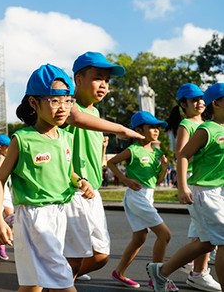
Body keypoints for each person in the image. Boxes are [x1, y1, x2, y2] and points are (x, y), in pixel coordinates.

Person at [0, 64, 94, 292]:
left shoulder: (66, 137)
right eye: (54, 100)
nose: (63, 108)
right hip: (34, 217)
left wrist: (80, 182)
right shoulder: (23, 139)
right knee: (63, 281)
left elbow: (67, 171)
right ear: (33, 103)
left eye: (68, 100)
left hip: (59, 214)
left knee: (32, 286)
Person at [64, 51, 143, 281]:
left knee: (100, 256)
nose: (104, 85)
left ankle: (60, 280)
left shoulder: (96, 113)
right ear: (79, 79)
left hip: (93, 192)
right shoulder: (68, 106)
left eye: (107, 81)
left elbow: (95, 158)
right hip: (74, 192)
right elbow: (76, 119)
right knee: (75, 257)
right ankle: (57, 283)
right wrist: (121, 128)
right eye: (98, 77)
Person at [148, 82, 224, 292]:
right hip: (202, 189)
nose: (199, 102)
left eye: (201, 99)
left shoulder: (216, 126)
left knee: (206, 242)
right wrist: (182, 187)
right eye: (194, 99)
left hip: (217, 190)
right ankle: (199, 274)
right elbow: (182, 155)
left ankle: (162, 272)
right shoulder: (200, 128)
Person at [106, 111, 172, 289]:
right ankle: (156, 277)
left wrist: (164, 168)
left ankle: (119, 273)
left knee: (139, 238)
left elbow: (157, 181)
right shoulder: (133, 150)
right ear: (138, 129)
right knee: (165, 235)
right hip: (136, 197)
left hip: (148, 196)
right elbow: (111, 162)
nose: (156, 130)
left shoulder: (157, 152)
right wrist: (125, 180)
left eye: (157, 127)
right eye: (152, 127)